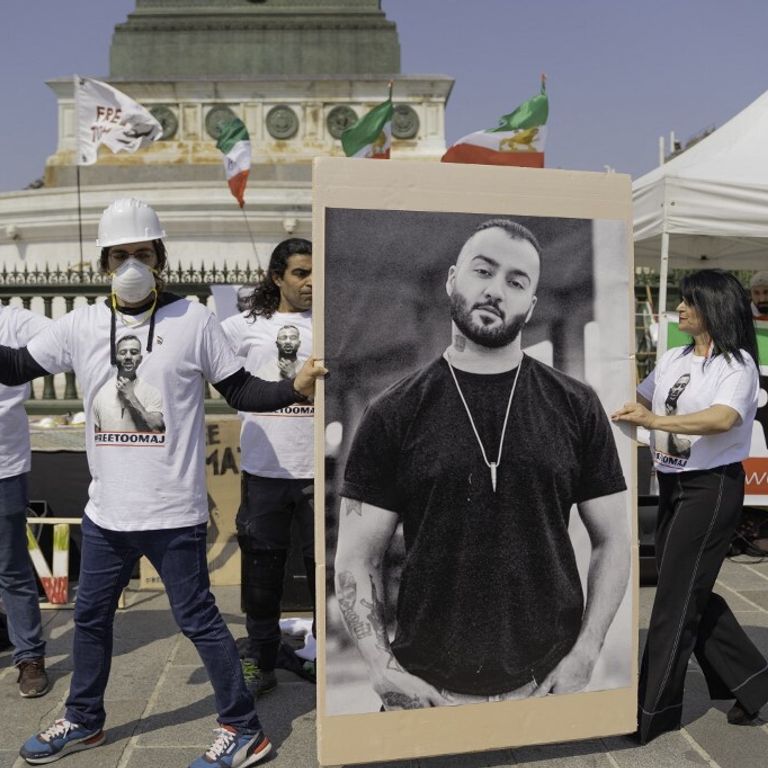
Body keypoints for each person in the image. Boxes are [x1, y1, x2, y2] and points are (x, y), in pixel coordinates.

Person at [0, 199, 324, 767]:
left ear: (161, 259)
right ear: (103, 263)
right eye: (121, 255)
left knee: (198, 619)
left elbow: (244, 390)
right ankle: (83, 719)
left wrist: (295, 388)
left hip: (173, 513)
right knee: (93, 619)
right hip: (106, 514)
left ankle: (244, 730)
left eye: (143, 254)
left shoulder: (193, 320)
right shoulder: (78, 325)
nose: (132, 265)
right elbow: (16, 367)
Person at [334, 218, 629, 710]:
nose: (496, 290)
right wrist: (381, 667)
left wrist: (587, 650)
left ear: (531, 304)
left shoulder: (577, 404)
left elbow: (615, 539)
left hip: (550, 681)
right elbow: (356, 557)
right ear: (453, 280)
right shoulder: (393, 411)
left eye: (516, 282)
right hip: (427, 688)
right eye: (483, 271)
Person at [612, 269, 768, 744]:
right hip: (673, 485)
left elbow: (724, 418)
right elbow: (636, 398)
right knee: (690, 590)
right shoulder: (675, 357)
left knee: (674, 600)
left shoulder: (736, 365)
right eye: (680, 300)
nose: (679, 308)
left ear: (713, 308)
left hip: (712, 489)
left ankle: (650, 714)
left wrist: (654, 418)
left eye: (689, 302)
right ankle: (753, 683)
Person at [221, 238, 315, 698]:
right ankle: (260, 657)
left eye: (316, 272)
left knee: (326, 571)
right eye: (300, 273)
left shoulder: (336, 321)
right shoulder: (241, 327)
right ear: (277, 277)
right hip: (264, 471)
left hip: (322, 471)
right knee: (262, 571)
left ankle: (322, 654)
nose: (310, 282)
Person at [0, 304, 51, 699]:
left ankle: (29, 656)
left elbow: (71, 339)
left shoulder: (14, 320)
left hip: (4, 464)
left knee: (12, 565)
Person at [92, 334, 165, 433]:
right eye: (123, 352)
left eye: (134, 352)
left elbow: (158, 427)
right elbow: (96, 434)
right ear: (115, 358)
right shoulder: (101, 392)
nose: (128, 356)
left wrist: (131, 397)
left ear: (140, 359)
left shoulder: (152, 392)